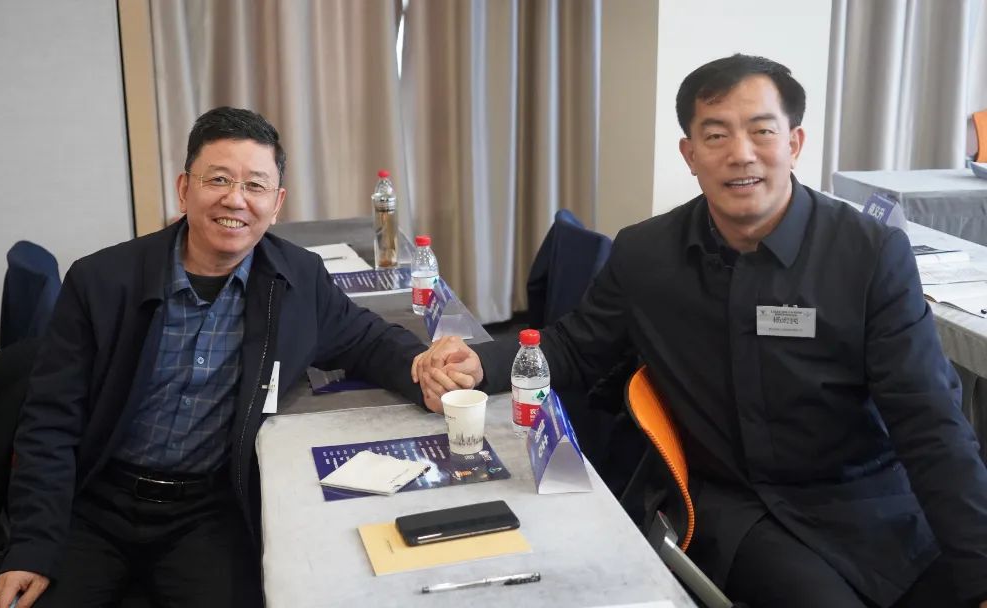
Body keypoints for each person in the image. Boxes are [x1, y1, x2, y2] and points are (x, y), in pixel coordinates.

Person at [414, 54, 987, 608]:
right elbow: (574, 346)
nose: (741, 154)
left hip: (869, 501)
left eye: (762, 131)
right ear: (689, 154)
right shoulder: (647, 254)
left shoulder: (870, 255)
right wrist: (479, 362)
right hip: (738, 510)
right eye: (716, 135)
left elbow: (928, 421)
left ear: (794, 143)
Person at [0, 107, 428, 608]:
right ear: (183, 189)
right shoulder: (101, 281)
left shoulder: (296, 281)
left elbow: (368, 340)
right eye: (217, 179)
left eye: (255, 185)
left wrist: (427, 369)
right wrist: (32, 546)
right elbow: (49, 422)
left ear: (276, 204)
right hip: (96, 502)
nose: (235, 199)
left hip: (207, 511)